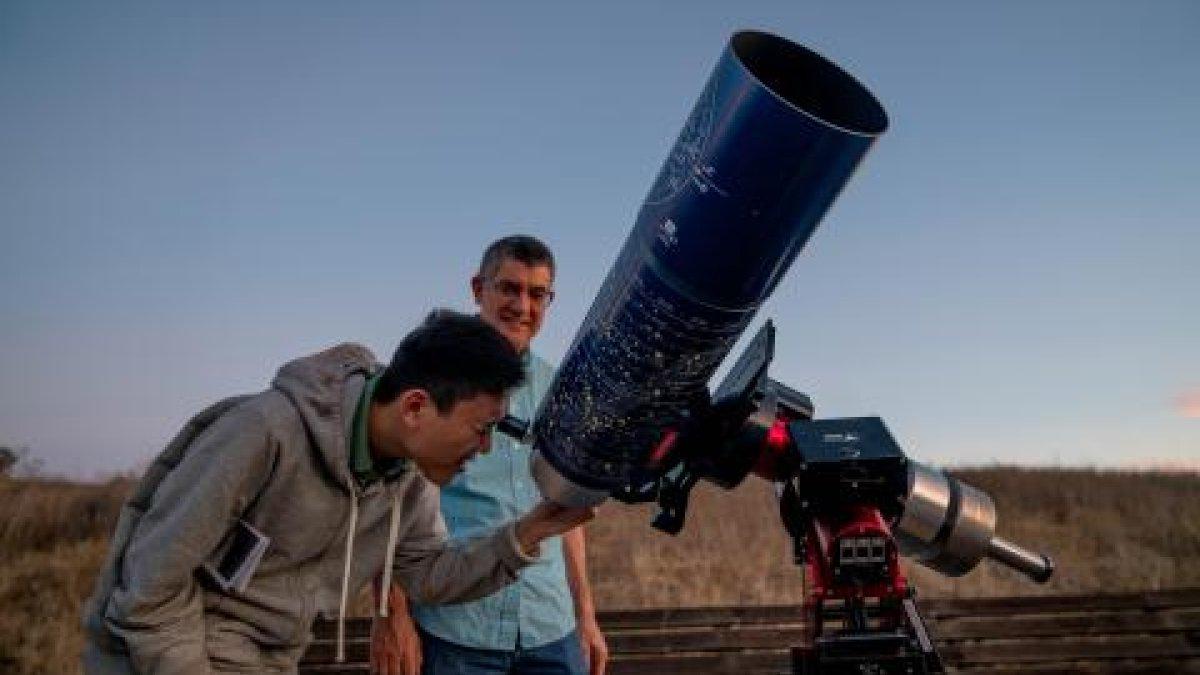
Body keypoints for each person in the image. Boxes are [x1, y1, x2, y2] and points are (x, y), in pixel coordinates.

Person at [82, 310, 594, 674]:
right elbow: (149, 593)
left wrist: (529, 533)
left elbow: (430, 576)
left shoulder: (406, 480)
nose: (483, 449)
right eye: (479, 429)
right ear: (415, 408)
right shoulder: (262, 434)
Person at [371, 236, 609, 675]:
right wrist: (391, 615)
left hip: (548, 625)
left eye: (537, 294)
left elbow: (567, 516)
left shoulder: (561, 389)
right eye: (509, 288)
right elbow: (386, 500)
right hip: (455, 627)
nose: (522, 305)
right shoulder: (431, 369)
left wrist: (585, 616)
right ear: (478, 289)